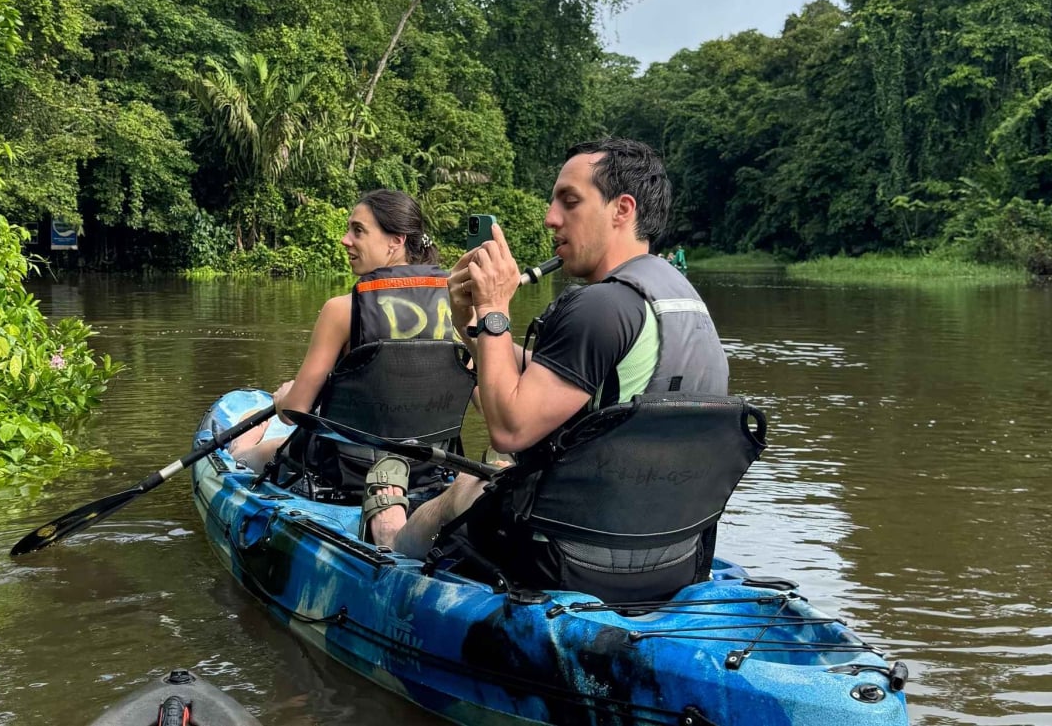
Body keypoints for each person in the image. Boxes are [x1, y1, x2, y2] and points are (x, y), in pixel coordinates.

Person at [364, 139, 756, 601]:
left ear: (621, 209)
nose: (551, 217)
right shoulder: (680, 299)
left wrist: (493, 308)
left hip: (566, 562)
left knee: (461, 492)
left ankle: (389, 549)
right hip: (672, 562)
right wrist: (471, 321)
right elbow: (558, 382)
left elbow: (510, 430)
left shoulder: (597, 308)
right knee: (480, 479)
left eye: (569, 201)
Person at [229, 190, 461, 482]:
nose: (345, 239)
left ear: (397, 240)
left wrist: (283, 399)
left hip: (348, 468)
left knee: (254, 453)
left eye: (358, 230)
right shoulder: (457, 306)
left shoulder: (341, 310)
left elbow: (293, 413)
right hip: (428, 466)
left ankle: (242, 445)